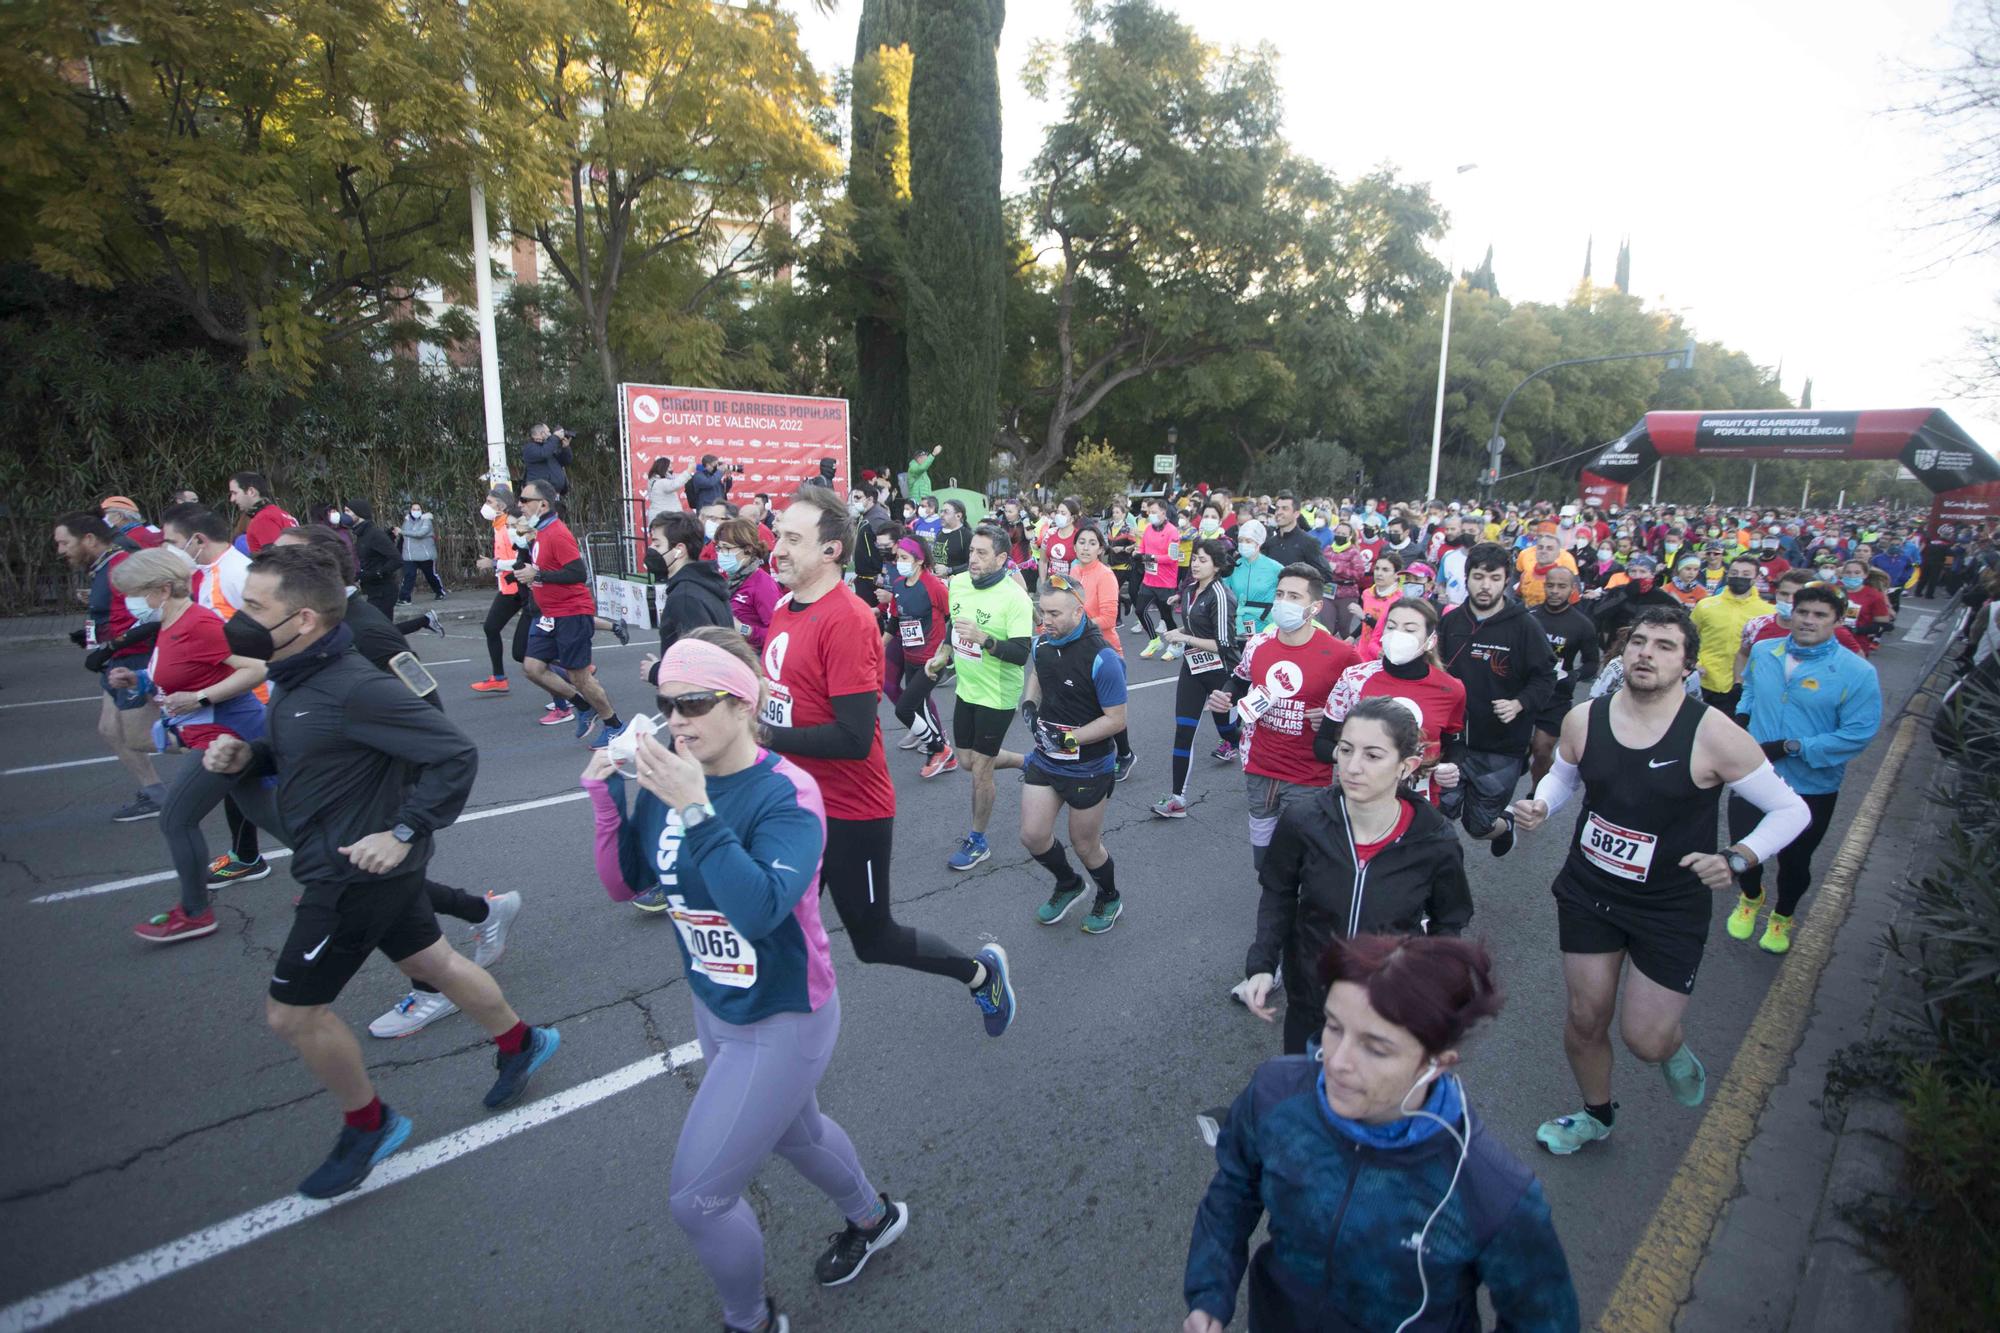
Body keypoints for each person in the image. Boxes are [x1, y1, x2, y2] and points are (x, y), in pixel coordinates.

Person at [201, 544, 559, 1196]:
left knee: (293, 1014)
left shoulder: (353, 684)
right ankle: (522, 1042)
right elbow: (314, 752)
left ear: (303, 618)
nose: (239, 618)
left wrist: (402, 831)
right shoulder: (297, 678)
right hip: (344, 859)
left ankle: (369, 1122)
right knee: (437, 964)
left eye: (253, 607)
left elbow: (453, 752)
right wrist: (248, 756)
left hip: (354, 874)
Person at [580, 633, 907, 1332]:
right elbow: (626, 882)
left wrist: (697, 809)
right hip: (714, 1001)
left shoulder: (786, 791)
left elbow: (759, 908)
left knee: (696, 1198)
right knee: (798, 1132)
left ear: (742, 702)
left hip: (785, 1013)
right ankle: (874, 1217)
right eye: (667, 704)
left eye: (694, 702)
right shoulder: (673, 776)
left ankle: (751, 1320)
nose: (676, 719)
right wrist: (606, 795)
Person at [1510, 607, 1810, 1155]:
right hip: (1589, 889)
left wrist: (1739, 856)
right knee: (1584, 1018)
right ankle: (1595, 1115)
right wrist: (1541, 806)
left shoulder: (1715, 735)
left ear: (1688, 665)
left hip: (1668, 905)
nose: (1646, 653)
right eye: (1639, 642)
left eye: (1665, 646)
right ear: (1623, 653)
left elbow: (1791, 812)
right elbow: (1565, 773)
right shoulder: (1586, 717)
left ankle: (1670, 1049)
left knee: (1645, 1040)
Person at [1184, 934, 1579, 1333]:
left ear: (1437, 1063)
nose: (1337, 1063)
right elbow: (1233, 1191)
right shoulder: (1276, 1095)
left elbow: (1543, 1321)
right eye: (1334, 1027)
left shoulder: (1491, 1191)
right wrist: (1209, 1294)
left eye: (1375, 1048)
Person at [761, 486, 1017, 1035]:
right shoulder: (784, 607)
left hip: (852, 811)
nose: (775, 548)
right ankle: (789, 1032)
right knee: (775, 923)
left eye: (790, 538)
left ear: (831, 550)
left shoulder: (847, 619)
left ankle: (980, 973)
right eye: (777, 534)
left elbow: (854, 737)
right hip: (794, 805)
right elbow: (784, 695)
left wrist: (762, 737)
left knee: (874, 940)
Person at [267, 525, 526, 1039]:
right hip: (341, 799)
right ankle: (484, 913)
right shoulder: (305, 641)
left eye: (285, 559)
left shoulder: (368, 632)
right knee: (387, 894)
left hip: (384, 798)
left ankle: (436, 991)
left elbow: (429, 716)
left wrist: (405, 816)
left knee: (377, 889)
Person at [1242, 701, 1474, 1052]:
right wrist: (1261, 963)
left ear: (1406, 766)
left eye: (1373, 755)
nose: (1352, 767)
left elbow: (1449, 923)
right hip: (1310, 1004)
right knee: (1304, 1099)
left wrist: (1436, 991)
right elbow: (1279, 893)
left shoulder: (1434, 840)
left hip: (1387, 1011)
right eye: (1346, 750)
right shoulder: (1304, 821)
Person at [108, 546, 270, 942]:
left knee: (176, 818)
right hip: (214, 736)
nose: (130, 603)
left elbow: (256, 668)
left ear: (162, 588)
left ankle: (196, 912)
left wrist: (201, 699)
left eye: (135, 592)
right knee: (272, 816)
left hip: (228, 736)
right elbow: (182, 675)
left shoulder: (199, 622)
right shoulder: (170, 620)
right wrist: (142, 682)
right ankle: (345, 881)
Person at [1725, 583, 1882, 954]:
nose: (1809, 621)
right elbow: (1750, 689)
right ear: (1791, 613)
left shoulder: (1855, 672)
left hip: (1812, 785)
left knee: (1795, 862)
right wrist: (1743, 716)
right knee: (1743, 854)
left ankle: (1782, 917)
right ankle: (1750, 899)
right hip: (1755, 776)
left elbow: (1858, 734)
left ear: (1837, 621)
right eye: (1803, 612)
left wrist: (1793, 747)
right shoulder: (1765, 651)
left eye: (1820, 615)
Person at [999, 575, 1129, 933]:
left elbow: (1116, 720)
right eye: (1043, 612)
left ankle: (1109, 896)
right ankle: (1069, 884)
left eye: (1055, 613)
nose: (1046, 621)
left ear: (1078, 610)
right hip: (1046, 758)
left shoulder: (1103, 657)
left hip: (1089, 766)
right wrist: (1029, 702)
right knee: (1033, 836)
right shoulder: (1044, 641)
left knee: (1085, 845)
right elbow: (1039, 672)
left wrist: (1071, 740)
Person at [1211, 565, 1360, 871]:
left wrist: (1337, 723)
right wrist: (1224, 695)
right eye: (1280, 594)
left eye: (1294, 596)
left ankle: (1299, 912)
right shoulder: (1258, 645)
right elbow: (1239, 679)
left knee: (1299, 861)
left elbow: (1366, 711)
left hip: (1308, 774)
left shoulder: (1341, 655)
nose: (1283, 602)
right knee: (1263, 863)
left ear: (1315, 607)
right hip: (1259, 767)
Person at [159, 503, 270, 881]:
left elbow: (269, 637)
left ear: (197, 540)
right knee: (240, 783)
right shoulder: (204, 573)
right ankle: (248, 855)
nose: (166, 548)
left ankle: (327, 868)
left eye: (171, 541)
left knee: (268, 789)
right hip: (225, 701)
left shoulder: (239, 573)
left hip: (253, 701)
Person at [1438, 543, 1557, 857]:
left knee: (1479, 825)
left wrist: (1519, 703)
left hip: (1501, 747)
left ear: (1506, 581)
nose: (1485, 585)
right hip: (1453, 743)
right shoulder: (1451, 622)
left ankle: (1506, 825)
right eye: (1478, 576)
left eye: (1494, 577)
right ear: (1466, 578)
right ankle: (1436, 880)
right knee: (1437, 816)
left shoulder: (1525, 626)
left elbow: (1546, 678)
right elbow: (1435, 671)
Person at [929, 524, 1036, 870]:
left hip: (997, 695)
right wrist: (943, 654)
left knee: (981, 772)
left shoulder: (1015, 598)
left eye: (982, 553)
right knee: (966, 761)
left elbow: (1021, 653)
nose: (972, 559)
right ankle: (1026, 761)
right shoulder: (958, 584)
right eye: (972, 551)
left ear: (1002, 558)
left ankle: (978, 840)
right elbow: (953, 624)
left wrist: (985, 639)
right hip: (967, 688)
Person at [54, 511, 168, 820]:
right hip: (114, 658)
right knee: (109, 729)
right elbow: (116, 612)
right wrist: (95, 636)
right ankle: (155, 793)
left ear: (89, 539)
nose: (61, 550)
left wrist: (112, 646)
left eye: (65, 543)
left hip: (134, 658)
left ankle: (229, 749)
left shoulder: (122, 564)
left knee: (139, 738)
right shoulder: (103, 566)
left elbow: (155, 619)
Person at [1317, 597, 1467, 808]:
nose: (1397, 635)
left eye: (1410, 629)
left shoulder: (1451, 688)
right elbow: (1322, 744)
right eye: (1392, 626)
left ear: (1430, 641)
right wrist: (1353, 757)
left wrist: (1451, 766)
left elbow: (1456, 743)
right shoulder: (1354, 678)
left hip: (1420, 804)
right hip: (1359, 799)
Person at [514, 480, 624, 744]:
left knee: (579, 676)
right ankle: (583, 707)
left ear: (543, 504)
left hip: (571, 612)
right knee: (532, 668)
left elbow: (578, 573)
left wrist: (537, 573)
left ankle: (614, 724)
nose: (520, 505)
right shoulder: (540, 532)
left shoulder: (557, 533)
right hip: (549, 613)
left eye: (524, 500)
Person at [1152, 539, 1242, 818]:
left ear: (1216, 566)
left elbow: (1224, 644)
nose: (1195, 563)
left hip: (1221, 672)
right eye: (1194, 558)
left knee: (1228, 731)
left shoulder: (1222, 595)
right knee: (1184, 731)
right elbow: (1193, 626)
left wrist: (1184, 637)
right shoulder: (1190, 590)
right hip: (1193, 668)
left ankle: (1248, 747)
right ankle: (1178, 798)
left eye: (1203, 560)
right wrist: (1180, 631)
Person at [1066, 522, 1138, 779]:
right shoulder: (1074, 570)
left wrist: (1075, 626)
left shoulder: (1106, 574)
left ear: (1101, 548)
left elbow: (1109, 618)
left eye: (1092, 543)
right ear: (1074, 546)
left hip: (1105, 652)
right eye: (1082, 542)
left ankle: (1126, 754)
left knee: (1110, 710)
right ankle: (1090, 755)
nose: (1086, 547)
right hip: (1078, 649)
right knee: (1085, 706)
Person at [878, 536, 954, 779]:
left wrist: (946, 652)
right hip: (910, 655)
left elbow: (953, 618)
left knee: (905, 708)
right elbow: (894, 623)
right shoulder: (899, 586)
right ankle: (945, 755)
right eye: (897, 557)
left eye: (904, 558)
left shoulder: (934, 586)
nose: (898, 562)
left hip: (932, 661)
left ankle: (938, 748)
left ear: (920, 560)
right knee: (919, 709)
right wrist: (878, 648)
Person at [641, 511, 733, 686]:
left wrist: (655, 672)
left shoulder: (685, 597)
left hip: (695, 703)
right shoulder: (704, 583)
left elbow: (700, 665)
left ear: (679, 550)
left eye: (657, 544)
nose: (651, 550)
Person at [1528, 565, 1601, 786]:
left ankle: (1537, 792)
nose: (1555, 591)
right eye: (1550, 585)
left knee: (1541, 749)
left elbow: (1592, 663)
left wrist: (1575, 675)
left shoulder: (1582, 624)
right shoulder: (1529, 617)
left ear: (1572, 589)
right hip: (1525, 691)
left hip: (1556, 696)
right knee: (1518, 749)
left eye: (1562, 586)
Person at [1688, 554, 1771, 715]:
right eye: (1734, 573)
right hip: (1704, 682)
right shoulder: (1706, 605)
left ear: (1755, 578)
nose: (1739, 577)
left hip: (1742, 686)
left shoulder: (1767, 612)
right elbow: (1687, 638)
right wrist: (1694, 663)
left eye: (1746, 574)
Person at [470, 482, 531, 694]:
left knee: (524, 649)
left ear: (501, 505)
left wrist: (493, 563)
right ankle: (498, 677)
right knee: (491, 628)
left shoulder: (513, 523)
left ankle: (571, 670)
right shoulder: (499, 523)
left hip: (521, 586)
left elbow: (521, 557)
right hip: (509, 586)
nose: (485, 506)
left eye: (489, 502)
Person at [714, 516, 782, 650]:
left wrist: (744, 630)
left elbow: (778, 635)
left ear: (748, 549)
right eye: (719, 548)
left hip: (752, 660)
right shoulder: (728, 579)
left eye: (727, 548)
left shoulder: (763, 585)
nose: (721, 553)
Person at [1135, 498, 1182, 657]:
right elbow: (1142, 550)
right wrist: (1138, 555)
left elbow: (1173, 557)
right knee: (1140, 610)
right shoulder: (1148, 529)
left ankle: (1176, 645)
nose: (1151, 515)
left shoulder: (1172, 531)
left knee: (1166, 616)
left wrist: (1152, 558)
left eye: (1154, 512)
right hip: (1149, 580)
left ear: (1163, 512)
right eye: (1149, 512)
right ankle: (1154, 641)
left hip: (1165, 582)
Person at [341, 498, 402, 619]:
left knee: (380, 630)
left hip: (384, 591)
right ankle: (425, 620)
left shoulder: (374, 534)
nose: (344, 515)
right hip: (373, 590)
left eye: (348, 511)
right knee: (383, 631)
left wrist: (377, 573)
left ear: (359, 513)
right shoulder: (361, 534)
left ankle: (425, 620)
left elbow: (397, 559)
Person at [1224, 519, 1278, 637]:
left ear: (1258, 542)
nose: (1243, 544)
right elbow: (1224, 593)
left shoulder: (1275, 568)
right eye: (1240, 541)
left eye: (1248, 541)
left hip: (1264, 627)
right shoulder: (1233, 566)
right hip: (1237, 625)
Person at [226, 472, 298, 553]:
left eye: (235, 493)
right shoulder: (281, 513)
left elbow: (275, 559)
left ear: (251, 492)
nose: (232, 499)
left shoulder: (263, 519)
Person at [1355, 551, 1404, 659]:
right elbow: (1364, 625)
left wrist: (1365, 617)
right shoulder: (1367, 593)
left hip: (1382, 654)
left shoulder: (1400, 599)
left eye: (1385, 570)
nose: (1379, 573)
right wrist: (1352, 636)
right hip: (1362, 652)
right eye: (1377, 569)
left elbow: (1392, 630)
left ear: (1397, 574)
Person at [395, 501, 447, 603]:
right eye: (413, 509)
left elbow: (420, 534)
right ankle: (404, 598)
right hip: (409, 555)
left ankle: (439, 592)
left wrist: (401, 531)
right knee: (409, 576)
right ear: (410, 511)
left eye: (418, 509)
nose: (416, 511)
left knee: (430, 575)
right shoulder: (406, 522)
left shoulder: (426, 521)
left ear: (422, 510)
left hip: (425, 555)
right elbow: (403, 538)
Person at [1514, 531, 1578, 609]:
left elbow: (1575, 607)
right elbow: (1517, 598)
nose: (1543, 551)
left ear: (1557, 554)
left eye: (1549, 548)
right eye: (1540, 547)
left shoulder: (1565, 578)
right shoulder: (1526, 574)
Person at [521, 423, 572, 497]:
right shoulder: (530, 448)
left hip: (554, 494)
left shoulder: (549, 447)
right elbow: (544, 453)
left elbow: (566, 461)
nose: (550, 434)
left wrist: (566, 448)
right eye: (548, 432)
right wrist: (555, 437)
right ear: (541, 433)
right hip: (538, 494)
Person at [645, 455, 696, 521]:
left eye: (671, 465)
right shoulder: (660, 482)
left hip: (664, 516)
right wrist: (689, 470)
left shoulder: (655, 480)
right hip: (665, 518)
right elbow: (676, 484)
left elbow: (676, 479)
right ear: (662, 467)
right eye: (669, 466)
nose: (671, 466)